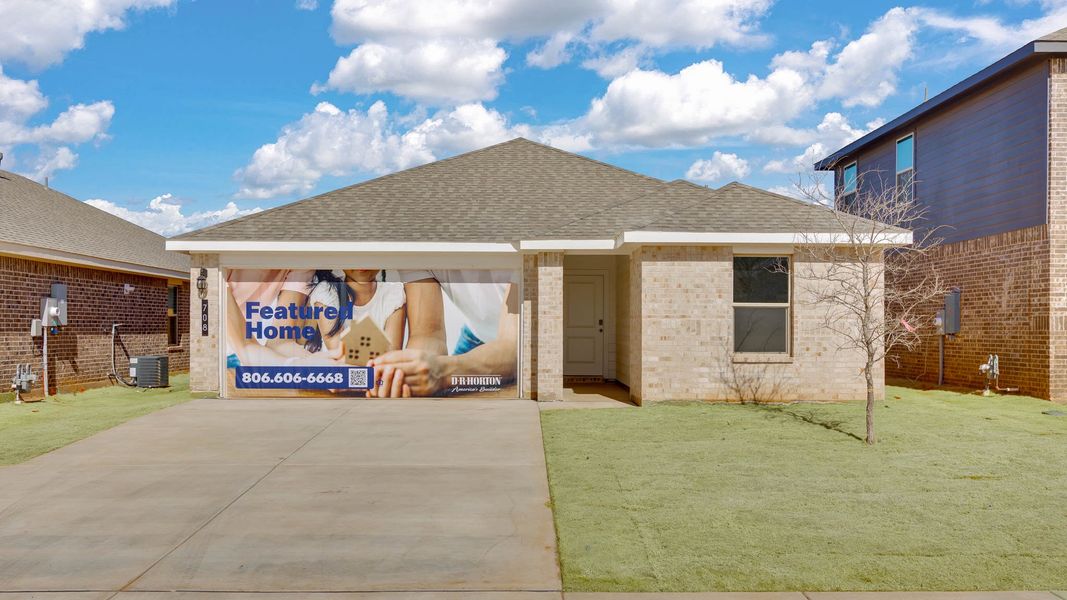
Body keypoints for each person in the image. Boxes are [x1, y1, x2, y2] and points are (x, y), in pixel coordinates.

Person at [367, 269, 518, 397]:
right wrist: (408, 372)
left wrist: (442, 372)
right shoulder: (414, 248)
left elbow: (514, 346)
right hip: (476, 335)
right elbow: (428, 335)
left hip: (520, 341)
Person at [304, 269, 406, 358]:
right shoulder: (326, 291)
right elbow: (339, 351)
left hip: (377, 373)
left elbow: (392, 354)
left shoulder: (394, 293)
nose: (362, 263)